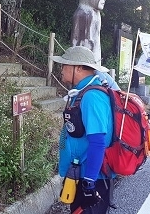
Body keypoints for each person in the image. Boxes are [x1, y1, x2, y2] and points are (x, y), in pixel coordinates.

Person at [52, 46, 115, 214]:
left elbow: (98, 142)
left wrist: (89, 182)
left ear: (78, 68)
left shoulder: (92, 97)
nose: (62, 69)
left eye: (65, 65)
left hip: (92, 179)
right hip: (80, 174)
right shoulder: (81, 93)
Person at [71, 0, 109, 64]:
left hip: (94, 67)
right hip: (85, 68)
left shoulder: (95, 14)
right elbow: (83, 48)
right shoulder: (83, 14)